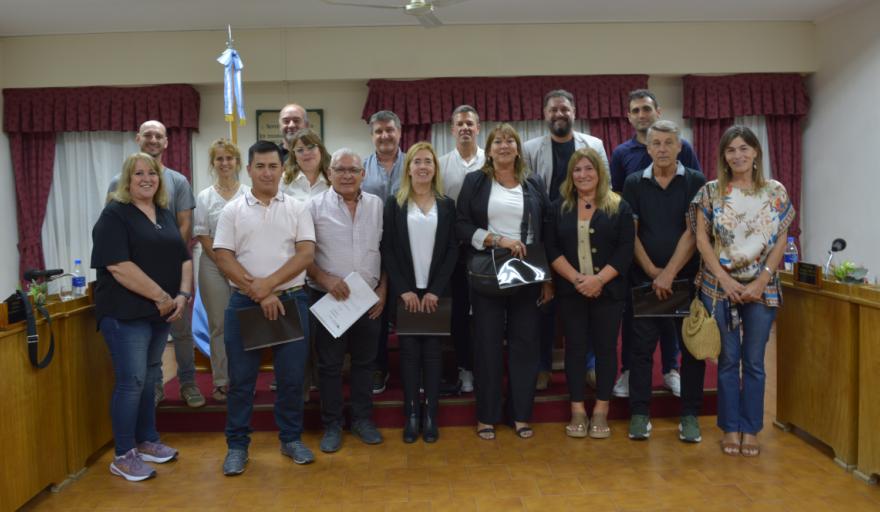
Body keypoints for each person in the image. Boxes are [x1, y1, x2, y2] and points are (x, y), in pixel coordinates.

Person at [213, 141, 317, 475]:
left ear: (282, 169)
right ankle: (237, 446)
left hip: (291, 300)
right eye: (260, 166)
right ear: (249, 170)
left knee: (291, 379)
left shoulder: (298, 208)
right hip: (245, 302)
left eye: (273, 166)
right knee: (241, 381)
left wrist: (268, 286)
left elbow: (305, 254)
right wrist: (257, 291)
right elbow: (223, 257)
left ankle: (291, 439)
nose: (267, 173)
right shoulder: (232, 210)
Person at [690, 125, 794, 457]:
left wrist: (762, 280)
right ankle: (730, 428)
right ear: (723, 155)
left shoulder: (775, 191)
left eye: (744, 148)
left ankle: (751, 429)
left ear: (756, 152)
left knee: (754, 362)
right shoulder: (710, 192)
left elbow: (781, 240)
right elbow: (701, 240)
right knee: (727, 360)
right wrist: (724, 280)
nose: (738, 155)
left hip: (762, 288)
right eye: (731, 150)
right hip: (720, 288)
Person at [92, 152, 192, 481]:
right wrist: (161, 296)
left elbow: (184, 257)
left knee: (150, 378)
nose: (146, 178)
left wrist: (183, 295)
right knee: (132, 381)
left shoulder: (163, 213)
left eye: (152, 173)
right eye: (138, 173)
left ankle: (147, 440)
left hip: (159, 314)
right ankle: (123, 454)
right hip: (125, 315)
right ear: (127, 179)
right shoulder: (114, 214)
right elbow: (119, 266)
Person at [456, 124, 553, 440]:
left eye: (510, 140)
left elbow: (546, 229)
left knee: (526, 345)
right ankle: (487, 415)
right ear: (489, 149)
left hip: (528, 273)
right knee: (487, 346)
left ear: (518, 149)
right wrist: (497, 240)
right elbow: (461, 225)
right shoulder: (475, 181)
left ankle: (521, 415)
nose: (504, 145)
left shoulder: (533, 182)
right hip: (489, 272)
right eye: (498, 141)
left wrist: (548, 278)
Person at [609, 89, 702, 398]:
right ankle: (629, 373)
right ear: (628, 116)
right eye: (635, 110)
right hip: (639, 257)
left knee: (673, 319)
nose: (641, 114)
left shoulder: (683, 150)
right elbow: (618, 200)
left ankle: (671, 370)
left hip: (681, 260)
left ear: (657, 111)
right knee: (636, 320)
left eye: (646, 109)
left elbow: (694, 199)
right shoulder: (622, 154)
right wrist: (649, 267)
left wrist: (670, 270)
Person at [105, 120, 204, 408]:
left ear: (166, 142)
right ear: (138, 138)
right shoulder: (118, 182)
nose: (153, 139)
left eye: (158, 135)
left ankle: (188, 383)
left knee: (180, 330)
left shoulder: (178, 181)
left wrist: (169, 258)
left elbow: (185, 223)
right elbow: (113, 228)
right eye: (147, 135)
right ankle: (156, 386)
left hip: (173, 271)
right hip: (136, 276)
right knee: (148, 333)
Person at [622, 120, 706, 443]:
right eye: (656, 143)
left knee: (691, 351)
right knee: (641, 350)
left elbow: (693, 232)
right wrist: (654, 273)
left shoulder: (695, 181)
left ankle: (690, 416)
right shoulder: (633, 183)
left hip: (685, 280)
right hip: (645, 281)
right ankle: (640, 414)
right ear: (648, 148)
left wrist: (669, 273)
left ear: (679, 146)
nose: (662, 149)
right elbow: (631, 233)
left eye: (668, 143)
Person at [545, 148, 634, 439]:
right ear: (570, 175)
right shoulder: (558, 207)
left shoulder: (619, 206)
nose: (583, 175)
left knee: (606, 350)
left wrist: (598, 280)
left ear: (600, 172)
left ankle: (600, 411)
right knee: (575, 349)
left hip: (608, 293)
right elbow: (552, 249)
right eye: (577, 170)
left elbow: (625, 250)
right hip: (571, 293)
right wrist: (578, 280)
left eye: (589, 169)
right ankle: (578, 410)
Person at [523, 89, 609, 390]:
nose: (559, 114)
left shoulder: (594, 145)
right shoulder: (530, 148)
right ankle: (542, 366)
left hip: (585, 232)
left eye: (564, 109)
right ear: (545, 114)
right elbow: (527, 194)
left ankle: (590, 366)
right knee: (544, 305)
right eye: (553, 110)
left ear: (574, 112)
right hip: (546, 234)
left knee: (587, 303)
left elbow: (606, 189)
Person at [307, 148, 387, 453]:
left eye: (353, 170)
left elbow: (386, 250)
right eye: (340, 169)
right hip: (330, 298)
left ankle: (362, 420)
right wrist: (324, 278)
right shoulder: (313, 207)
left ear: (363, 174)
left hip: (368, 299)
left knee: (365, 364)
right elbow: (301, 254)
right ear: (329, 173)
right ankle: (332, 424)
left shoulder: (377, 205)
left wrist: (383, 290)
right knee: (329, 366)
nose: (346, 175)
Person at [382, 142, 458, 443]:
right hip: (408, 293)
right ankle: (412, 414)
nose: (423, 166)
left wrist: (435, 291)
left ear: (435, 168)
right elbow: (388, 250)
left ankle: (431, 415)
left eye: (428, 161)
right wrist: (404, 290)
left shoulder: (447, 205)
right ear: (409, 168)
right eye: (417, 162)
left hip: (436, 293)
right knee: (410, 355)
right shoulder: (395, 203)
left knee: (433, 354)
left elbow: (452, 250)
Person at [194, 139, 248, 403]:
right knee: (219, 325)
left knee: (244, 324)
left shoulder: (248, 194)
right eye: (219, 158)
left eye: (229, 158)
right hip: (213, 263)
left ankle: (243, 380)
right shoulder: (205, 197)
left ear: (237, 162)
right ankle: (221, 381)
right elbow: (203, 235)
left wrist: (235, 267)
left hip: (244, 263)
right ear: (213, 163)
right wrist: (223, 265)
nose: (225, 163)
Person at [438, 105, 486, 393]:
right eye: (460, 124)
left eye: (470, 123)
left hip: (486, 251)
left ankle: (486, 367)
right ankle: (465, 367)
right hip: (454, 252)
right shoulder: (441, 164)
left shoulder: (491, 161)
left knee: (485, 313)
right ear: (452, 129)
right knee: (458, 313)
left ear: (478, 128)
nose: (465, 128)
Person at [362, 110, 405, 394]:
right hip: (372, 249)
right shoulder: (361, 168)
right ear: (372, 136)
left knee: (405, 307)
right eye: (379, 131)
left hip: (407, 248)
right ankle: (378, 367)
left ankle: (413, 367)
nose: (385, 135)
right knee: (374, 311)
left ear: (399, 132)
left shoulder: (414, 163)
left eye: (390, 130)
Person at [281, 128, 330, 201]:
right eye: (300, 150)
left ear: (321, 150)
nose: (306, 153)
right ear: (294, 156)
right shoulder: (284, 180)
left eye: (311, 147)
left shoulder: (332, 179)